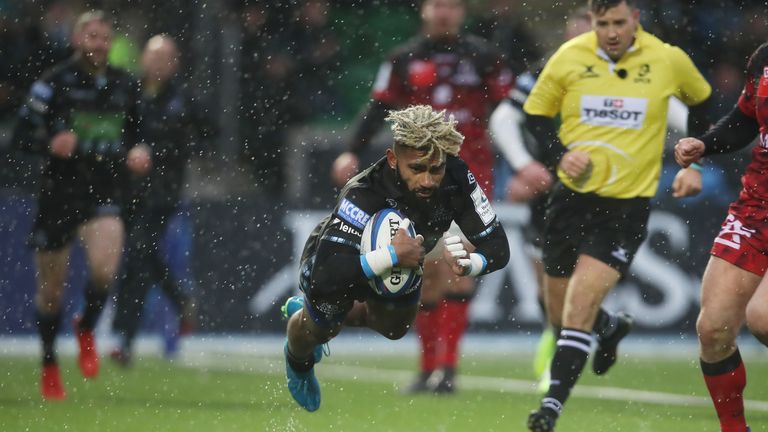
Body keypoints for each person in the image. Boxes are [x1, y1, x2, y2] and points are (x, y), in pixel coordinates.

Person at [490, 6, 706, 392]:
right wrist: (525, 165)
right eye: (592, 26)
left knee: (578, 286)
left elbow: (677, 111)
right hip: (555, 190)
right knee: (550, 289)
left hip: (616, 192)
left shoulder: (645, 68)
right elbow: (506, 118)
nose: (599, 34)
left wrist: (696, 154)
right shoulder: (552, 68)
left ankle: (557, 370)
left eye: (603, 25)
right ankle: (604, 326)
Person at [331, 0, 513, 394]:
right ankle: (427, 366)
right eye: (437, 5)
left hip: (469, 180)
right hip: (415, 184)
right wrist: (351, 149)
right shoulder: (401, 59)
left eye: (451, 5)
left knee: (458, 266)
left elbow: (513, 112)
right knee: (426, 274)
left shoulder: (485, 57)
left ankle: (447, 369)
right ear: (424, 11)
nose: (444, 12)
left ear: (462, 12)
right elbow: (379, 105)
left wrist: (526, 161)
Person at [283, 104, 510, 412]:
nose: (428, 181)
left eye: (436, 169)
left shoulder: (457, 175)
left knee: (394, 329)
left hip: (401, 264)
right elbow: (327, 275)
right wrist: (391, 254)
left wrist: (471, 265)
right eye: (416, 169)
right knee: (321, 327)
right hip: (341, 259)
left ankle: (335, 313)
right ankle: (298, 360)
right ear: (393, 159)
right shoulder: (365, 190)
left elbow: (498, 247)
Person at [12, 11, 149, 400]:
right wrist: (49, 143)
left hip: (104, 192)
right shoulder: (53, 83)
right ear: (77, 40)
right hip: (58, 194)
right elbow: (21, 136)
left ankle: (86, 326)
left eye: (104, 38)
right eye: (91, 36)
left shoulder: (126, 84)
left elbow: (141, 132)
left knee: (105, 270)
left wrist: (140, 150)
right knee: (50, 292)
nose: (98, 44)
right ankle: (49, 362)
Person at [674, 41, 768, 432]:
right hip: (757, 206)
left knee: (763, 319)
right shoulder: (763, 58)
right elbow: (746, 118)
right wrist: (706, 144)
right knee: (713, 329)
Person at [110, 34, 213, 366]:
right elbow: (117, 134)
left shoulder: (184, 99)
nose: (159, 62)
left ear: (176, 63)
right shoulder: (129, 94)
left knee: (138, 255)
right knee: (142, 255)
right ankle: (180, 299)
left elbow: (210, 132)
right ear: (143, 59)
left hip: (162, 191)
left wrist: (166, 151)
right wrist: (128, 154)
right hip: (127, 190)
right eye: (154, 55)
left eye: (166, 56)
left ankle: (124, 338)